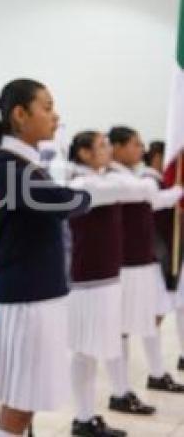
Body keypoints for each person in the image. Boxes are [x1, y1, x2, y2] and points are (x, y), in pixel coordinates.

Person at [0, 79, 91, 437]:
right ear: (20, 115)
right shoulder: (7, 166)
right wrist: (84, 193)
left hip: (36, 294)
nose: (55, 116)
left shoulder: (21, 163)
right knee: (20, 404)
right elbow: (64, 201)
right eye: (47, 107)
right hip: (27, 298)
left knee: (25, 402)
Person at [106, 127, 184, 405]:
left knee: (146, 320)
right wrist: (177, 188)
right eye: (135, 144)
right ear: (116, 147)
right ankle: (120, 391)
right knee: (120, 329)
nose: (141, 149)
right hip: (124, 266)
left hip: (141, 263)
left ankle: (150, 376)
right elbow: (152, 196)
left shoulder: (131, 177)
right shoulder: (117, 179)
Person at [65, 131, 130, 436]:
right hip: (87, 282)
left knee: (92, 351)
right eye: (102, 146)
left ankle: (87, 416)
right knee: (84, 351)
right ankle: (82, 417)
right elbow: (128, 189)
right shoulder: (82, 183)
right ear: (84, 153)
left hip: (104, 279)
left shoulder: (101, 179)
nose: (109, 151)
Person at [143, 141, 184, 373]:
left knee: (176, 306)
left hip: (168, 253)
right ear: (158, 156)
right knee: (155, 315)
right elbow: (157, 205)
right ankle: (156, 372)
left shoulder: (161, 182)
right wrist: (177, 190)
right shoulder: (148, 182)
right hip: (155, 257)